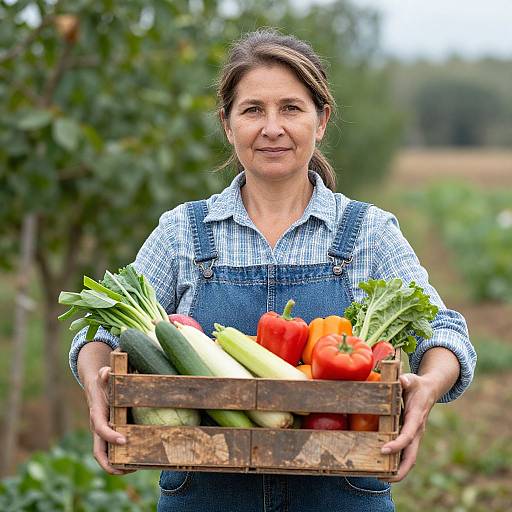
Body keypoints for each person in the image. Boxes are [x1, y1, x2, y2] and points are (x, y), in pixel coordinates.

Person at [69, 28, 477, 512]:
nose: (272, 128)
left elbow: (446, 332)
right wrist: (98, 388)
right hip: (206, 496)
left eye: (290, 108)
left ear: (320, 120)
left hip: (339, 495)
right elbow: (101, 332)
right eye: (252, 110)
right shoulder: (183, 231)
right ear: (227, 124)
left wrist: (428, 387)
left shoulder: (366, 232)